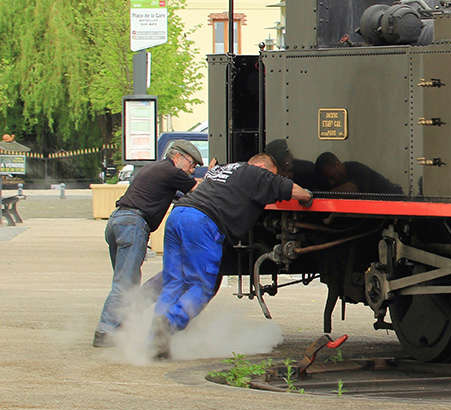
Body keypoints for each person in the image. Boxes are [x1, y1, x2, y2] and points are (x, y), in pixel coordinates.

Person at [149, 153, 313, 358]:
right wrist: (308, 195)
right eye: (273, 175)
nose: (271, 180)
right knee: (202, 286)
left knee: (175, 280)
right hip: (202, 222)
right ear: (265, 168)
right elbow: (295, 191)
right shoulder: (256, 172)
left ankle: (154, 339)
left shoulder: (225, 169)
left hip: (179, 214)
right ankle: (168, 326)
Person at [93, 140, 203, 348]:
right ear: (177, 157)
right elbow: (198, 189)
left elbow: (177, 194)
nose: (191, 169)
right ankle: (105, 332)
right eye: (191, 164)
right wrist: (215, 175)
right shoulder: (171, 171)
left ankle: (121, 326)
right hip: (133, 224)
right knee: (125, 283)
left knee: (126, 281)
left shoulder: (154, 169)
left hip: (117, 221)